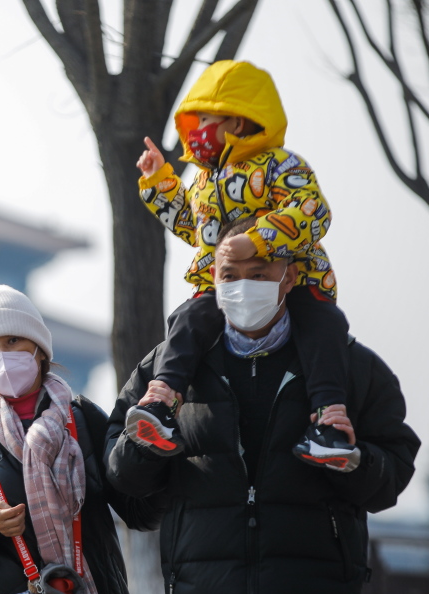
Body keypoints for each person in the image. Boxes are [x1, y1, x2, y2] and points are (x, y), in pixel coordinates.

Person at [105, 219, 420, 594]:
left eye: (258, 274)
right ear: (212, 278)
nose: (243, 288)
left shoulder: (349, 367)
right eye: (230, 275)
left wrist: (353, 461)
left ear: (289, 277)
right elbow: (122, 480)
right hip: (201, 588)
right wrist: (142, 448)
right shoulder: (168, 369)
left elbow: (393, 471)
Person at [131, 59, 353, 467]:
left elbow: (313, 209)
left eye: (206, 118)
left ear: (237, 122)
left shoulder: (281, 165)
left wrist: (257, 240)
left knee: (324, 326)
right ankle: (161, 403)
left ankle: (330, 423)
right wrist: (160, 182)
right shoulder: (201, 178)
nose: (196, 130)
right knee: (187, 320)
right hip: (220, 286)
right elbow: (197, 230)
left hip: (294, 279)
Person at [0, 285, 159, 594]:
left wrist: (150, 453)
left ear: (39, 349)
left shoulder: (84, 420)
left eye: (13, 340)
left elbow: (141, 513)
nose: (1, 356)